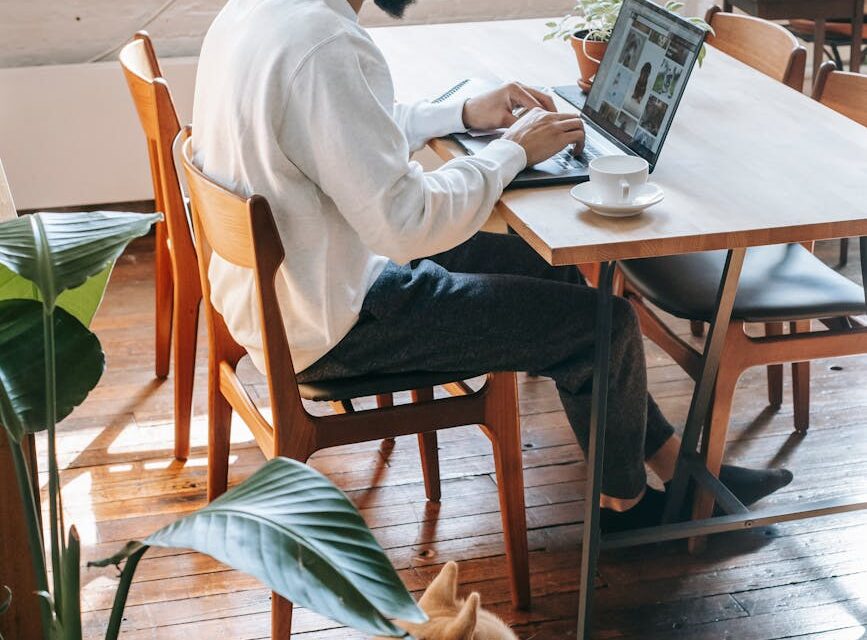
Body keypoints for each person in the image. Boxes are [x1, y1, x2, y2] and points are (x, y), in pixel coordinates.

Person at [192, 0, 792, 531]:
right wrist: (512, 152)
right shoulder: (327, 44)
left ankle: (673, 465)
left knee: (547, 264)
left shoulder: (257, 13)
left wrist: (464, 114)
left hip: (290, 290)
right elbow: (406, 222)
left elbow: (347, 139)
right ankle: (628, 513)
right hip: (339, 319)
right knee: (604, 329)